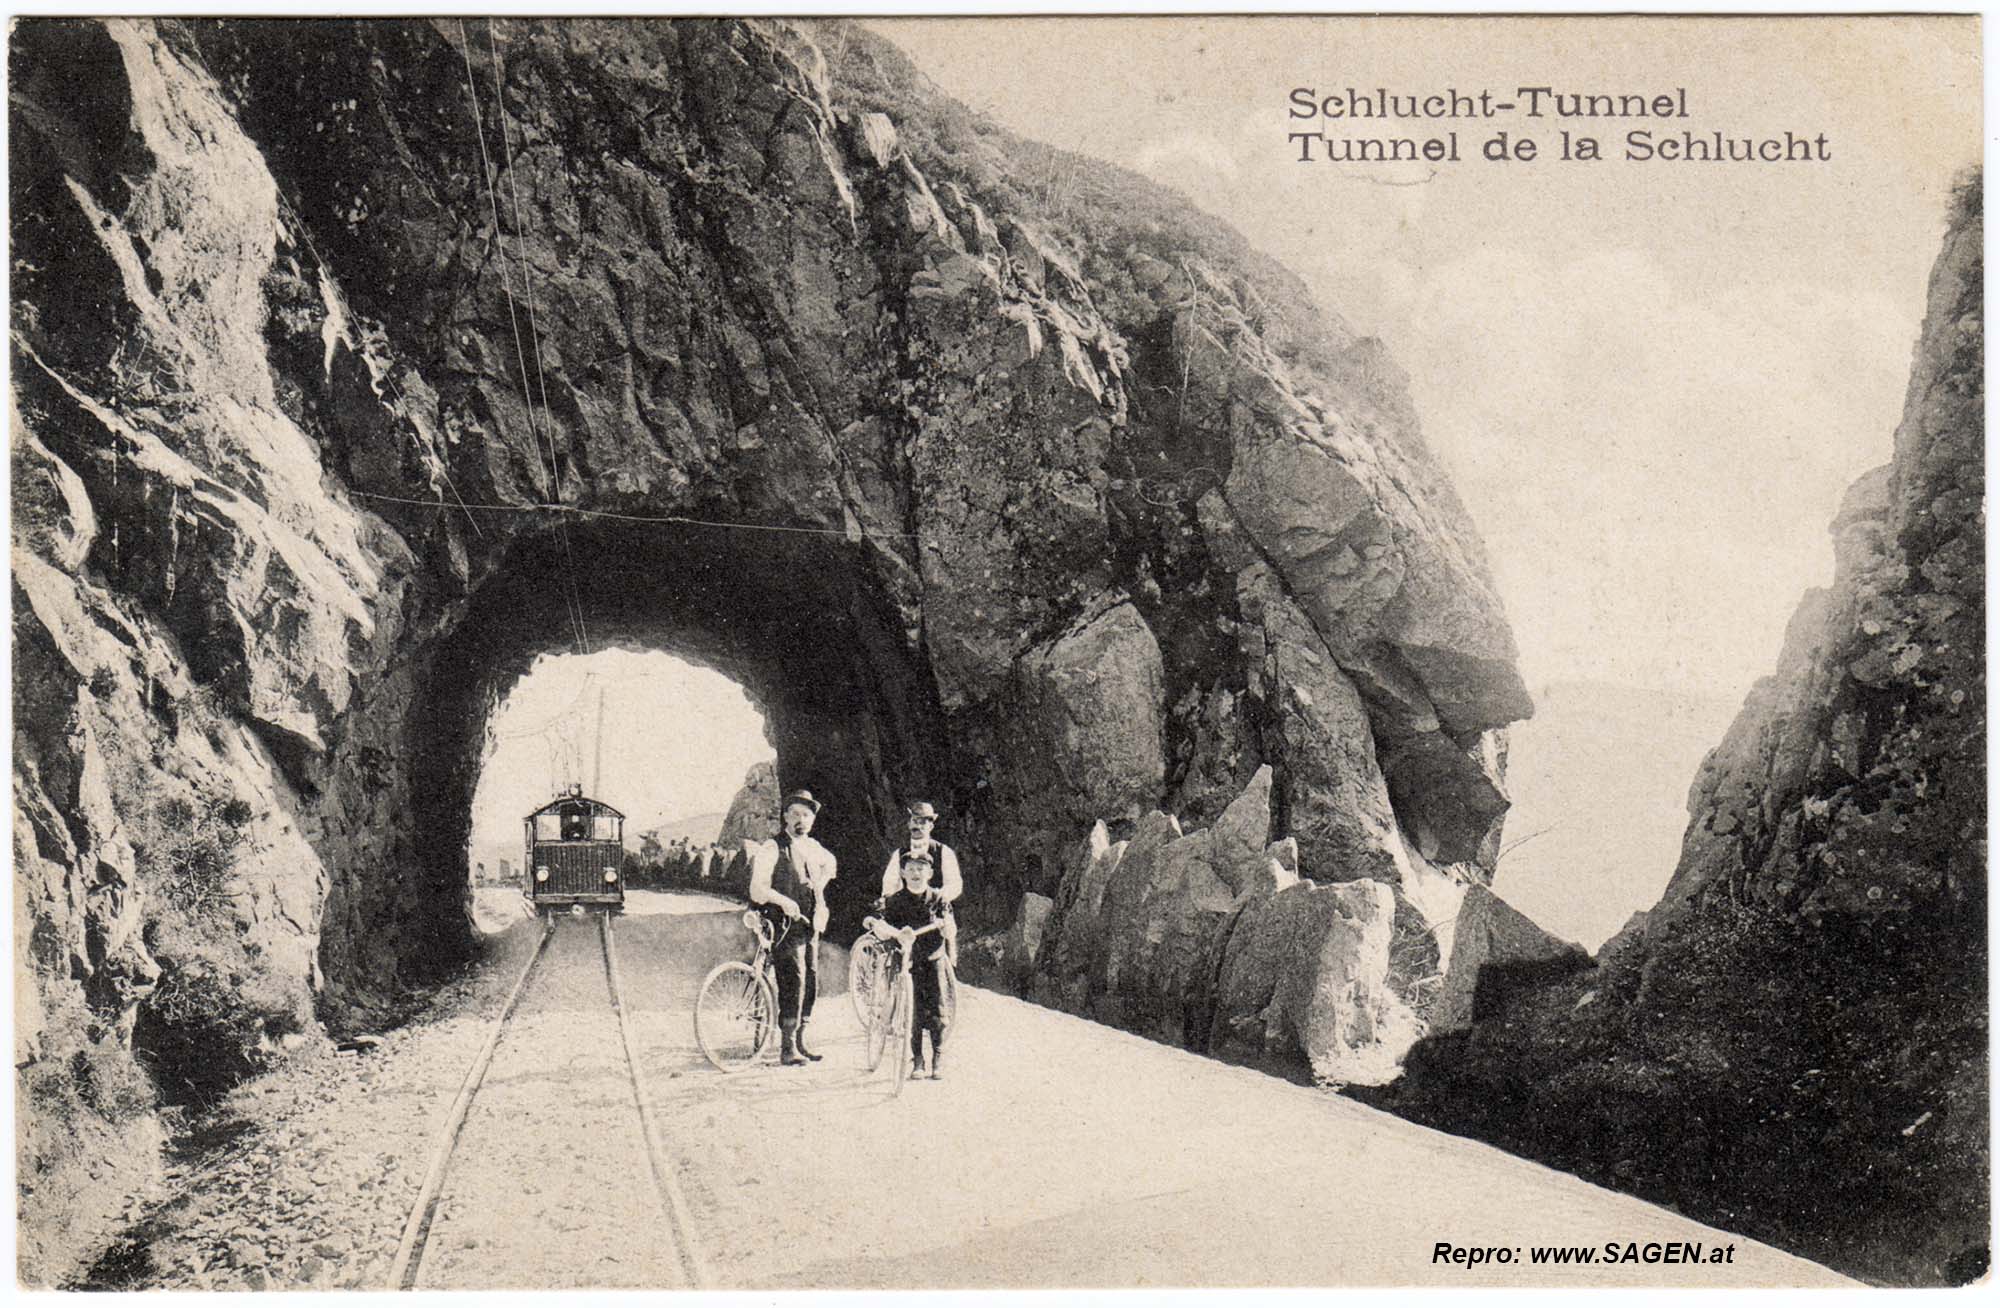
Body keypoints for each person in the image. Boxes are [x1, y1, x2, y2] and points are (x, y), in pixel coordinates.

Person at [748, 790, 837, 1066]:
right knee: (794, 978)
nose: (801, 819)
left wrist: (820, 887)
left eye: (806, 815)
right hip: (781, 923)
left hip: (808, 923)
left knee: (810, 977)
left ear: (812, 819)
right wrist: (783, 900)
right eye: (795, 813)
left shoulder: (813, 847)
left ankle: (799, 1040)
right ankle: (787, 1047)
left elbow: (830, 864)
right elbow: (757, 888)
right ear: (785, 816)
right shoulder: (773, 847)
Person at [865, 851, 950, 1080]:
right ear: (902, 872)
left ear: (930, 873)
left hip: (932, 957)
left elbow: (949, 925)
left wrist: (944, 926)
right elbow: (880, 923)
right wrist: (889, 929)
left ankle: (938, 1057)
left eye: (921, 868)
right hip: (907, 961)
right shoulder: (895, 901)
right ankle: (918, 1059)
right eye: (911, 868)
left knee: (938, 1009)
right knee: (912, 1012)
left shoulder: (938, 899)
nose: (915, 873)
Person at [878, 800, 962, 963]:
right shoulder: (899, 853)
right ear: (909, 824)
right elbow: (889, 883)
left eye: (923, 821)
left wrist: (942, 896)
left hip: (931, 907)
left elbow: (955, 883)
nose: (918, 826)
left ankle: (948, 968)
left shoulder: (944, 852)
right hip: (906, 908)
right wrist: (889, 898)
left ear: (931, 826)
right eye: (915, 821)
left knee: (946, 929)